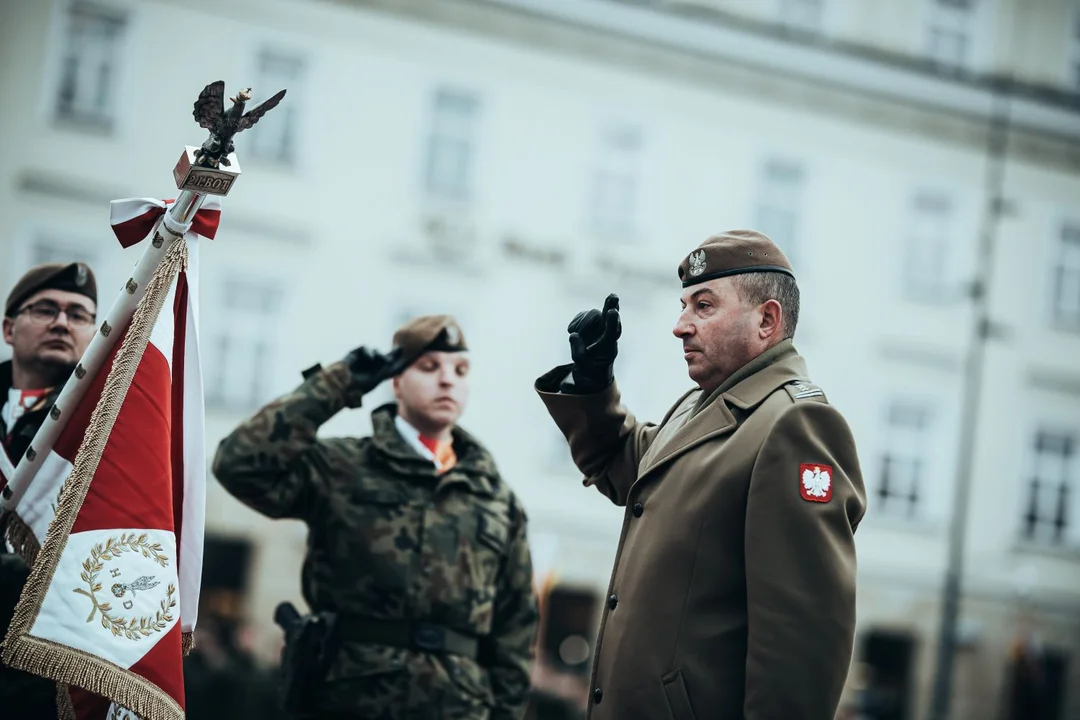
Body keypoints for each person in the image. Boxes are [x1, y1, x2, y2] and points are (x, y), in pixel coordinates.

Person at [534, 230, 867, 720]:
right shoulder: (700, 407)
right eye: (684, 305)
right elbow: (631, 466)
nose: (680, 326)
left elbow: (800, 643)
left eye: (704, 306)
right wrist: (593, 386)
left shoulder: (795, 424)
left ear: (767, 320)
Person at [212, 314, 539, 720]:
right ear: (396, 381)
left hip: (458, 706)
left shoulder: (496, 497)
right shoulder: (343, 465)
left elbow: (516, 629)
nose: (447, 380)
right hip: (348, 697)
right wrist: (337, 383)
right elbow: (239, 463)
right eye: (428, 366)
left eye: (460, 370)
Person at [0, 261, 98, 718]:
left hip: (41, 668)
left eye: (79, 315)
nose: (62, 323)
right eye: (46, 309)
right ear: (8, 328)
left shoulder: (101, 427)